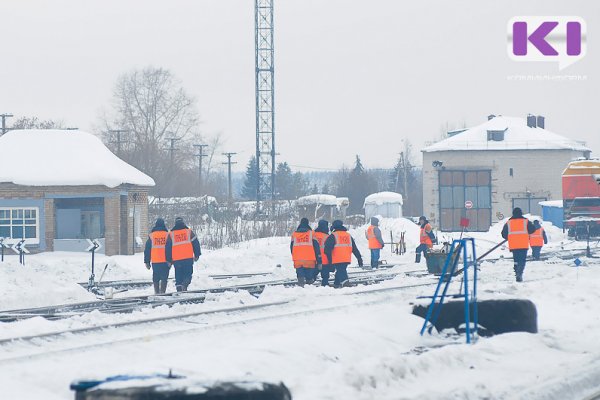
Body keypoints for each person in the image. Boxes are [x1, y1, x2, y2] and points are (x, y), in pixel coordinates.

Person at [324, 220, 363, 288]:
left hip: (337, 258)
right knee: (340, 270)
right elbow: (354, 248)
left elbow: (327, 249)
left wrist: (329, 260)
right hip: (346, 258)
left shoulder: (333, 236)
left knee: (341, 271)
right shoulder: (348, 235)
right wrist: (359, 258)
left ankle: (345, 283)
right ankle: (337, 283)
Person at [166, 217, 201, 292]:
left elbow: (168, 247)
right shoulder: (189, 232)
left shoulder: (171, 234)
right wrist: (197, 254)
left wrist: (169, 259)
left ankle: (179, 288)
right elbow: (196, 243)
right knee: (188, 274)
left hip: (177, 259)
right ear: (183, 223)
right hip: (188, 258)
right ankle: (185, 284)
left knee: (178, 275)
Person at [501, 207, 535, 282]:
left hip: (514, 245)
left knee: (516, 259)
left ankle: (516, 271)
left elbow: (503, 234)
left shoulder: (509, 222)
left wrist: (510, 237)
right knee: (522, 260)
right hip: (523, 244)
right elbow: (532, 229)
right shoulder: (525, 221)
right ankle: (520, 272)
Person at [290, 217, 322, 287]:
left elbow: (291, 248)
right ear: (308, 224)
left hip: (298, 260)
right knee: (309, 277)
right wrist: (319, 261)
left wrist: (294, 256)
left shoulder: (294, 234)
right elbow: (316, 247)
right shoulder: (312, 234)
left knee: (300, 276)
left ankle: (301, 287)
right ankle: (309, 289)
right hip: (309, 260)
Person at [143, 218, 170, 294]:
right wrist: (170, 260)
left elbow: (147, 250)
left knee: (156, 278)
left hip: (155, 261)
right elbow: (170, 248)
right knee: (164, 278)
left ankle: (157, 292)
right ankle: (163, 293)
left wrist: (147, 261)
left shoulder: (152, 236)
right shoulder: (167, 235)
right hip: (165, 262)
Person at [314, 219, 331, 286]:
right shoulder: (327, 237)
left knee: (313, 274)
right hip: (325, 259)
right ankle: (325, 285)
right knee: (325, 276)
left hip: (315, 259)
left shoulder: (313, 234)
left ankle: (309, 285)